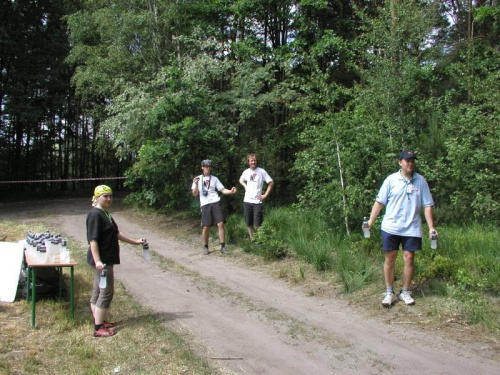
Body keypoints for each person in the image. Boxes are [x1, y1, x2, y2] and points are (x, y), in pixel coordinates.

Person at [366, 151, 438, 307]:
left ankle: (405, 291)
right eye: (407, 161)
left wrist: (431, 227)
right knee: (390, 257)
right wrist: (371, 221)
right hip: (391, 226)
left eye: (412, 161)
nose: (410, 163)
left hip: (412, 227)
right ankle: (389, 292)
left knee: (409, 257)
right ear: (400, 162)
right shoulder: (391, 180)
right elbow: (379, 202)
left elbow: (427, 205)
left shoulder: (420, 181)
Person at [86, 185, 145, 337]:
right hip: (102, 261)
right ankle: (98, 328)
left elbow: (116, 233)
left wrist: (135, 241)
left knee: (98, 290)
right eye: (105, 196)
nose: (109, 199)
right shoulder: (95, 215)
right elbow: (92, 240)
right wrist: (98, 261)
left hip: (106, 259)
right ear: (97, 197)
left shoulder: (105, 213)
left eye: (111, 196)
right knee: (106, 292)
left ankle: (98, 320)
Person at [192, 160, 237, 255]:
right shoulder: (198, 179)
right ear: (202, 167)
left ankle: (223, 247)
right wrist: (195, 184)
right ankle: (205, 246)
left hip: (215, 202)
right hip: (205, 204)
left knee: (220, 223)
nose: (208, 168)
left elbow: (223, 190)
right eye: (206, 166)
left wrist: (231, 191)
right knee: (206, 226)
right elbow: (195, 194)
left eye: (209, 166)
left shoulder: (215, 179)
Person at [239, 153, 274, 238]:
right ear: (248, 162)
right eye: (251, 160)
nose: (253, 162)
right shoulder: (246, 172)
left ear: (256, 161)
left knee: (258, 223)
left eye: (254, 160)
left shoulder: (261, 171)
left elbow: (271, 182)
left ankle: (261, 240)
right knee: (248, 222)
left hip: (257, 201)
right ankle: (252, 239)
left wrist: (265, 195)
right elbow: (240, 180)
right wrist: (245, 186)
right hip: (247, 200)